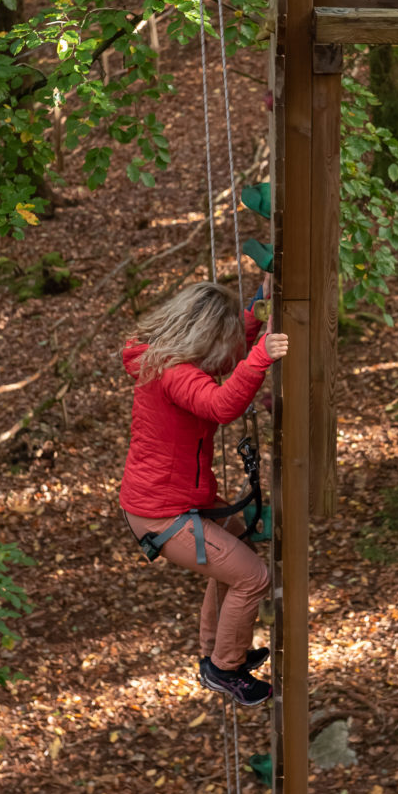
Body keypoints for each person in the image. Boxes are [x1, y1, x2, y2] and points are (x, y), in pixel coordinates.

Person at [119, 280, 288, 707]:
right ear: (206, 334)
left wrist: (256, 314)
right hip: (163, 514)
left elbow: (230, 352)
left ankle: (217, 647)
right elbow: (219, 406)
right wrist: (261, 358)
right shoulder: (174, 374)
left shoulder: (172, 360)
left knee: (238, 552)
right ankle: (225, 668)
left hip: (178, 500)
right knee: (253, 577)